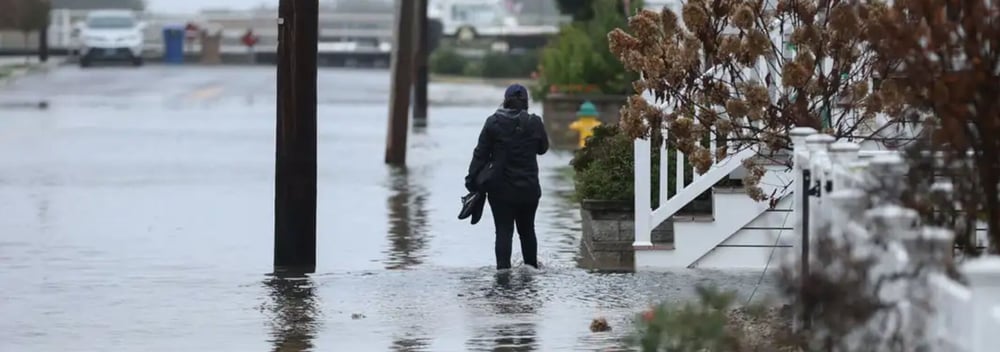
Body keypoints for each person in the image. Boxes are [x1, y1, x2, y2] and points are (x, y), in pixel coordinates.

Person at [465, 83, 549, 270]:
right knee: (527, 231)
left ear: (505, 101)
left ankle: (503, 275)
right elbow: (543, 149)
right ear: (526, 102)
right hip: (529, 188)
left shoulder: (493, 122)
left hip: (501, 190)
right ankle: (531, 271)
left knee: (503, 232)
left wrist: (471, 181)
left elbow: (480, 154)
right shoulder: (534, 122)